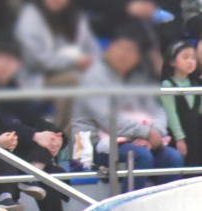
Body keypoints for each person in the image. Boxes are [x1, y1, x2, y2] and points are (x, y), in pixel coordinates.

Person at [73, 28, 183, 191]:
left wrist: (155, 135)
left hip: (139, 138)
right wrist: (146, 133)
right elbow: (108, 120)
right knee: (140, 156)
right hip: (99, 143)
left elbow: (158, 111)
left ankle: (165, 210)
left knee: (172, 158)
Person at [0, 39, 66, 211]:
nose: (4, 65)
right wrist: (35, 135)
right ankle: (15, 192)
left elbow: (34, 118)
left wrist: (56, 137)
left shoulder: (14, 88)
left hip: (21, 153)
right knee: (6, 149)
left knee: (47, 173)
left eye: (10, 60)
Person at [15, 0, 101, 127]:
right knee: (73, 80)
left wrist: (90, 62)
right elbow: (36, 60)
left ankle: (93, 136)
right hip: (36, 77)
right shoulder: (31, 16)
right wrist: (74, 62)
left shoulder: (76, 18)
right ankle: (61, 135)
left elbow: (94, 50)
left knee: (93, 80)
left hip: (78, 74)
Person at [161, 41, 202, 166]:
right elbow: (171, 114)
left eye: (193, 58)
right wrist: (180, 139)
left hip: (196, 135)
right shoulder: (167, 85)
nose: (190, 61)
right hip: (177, 137)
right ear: (172, 62)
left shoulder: (196, 85)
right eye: (185, 57)